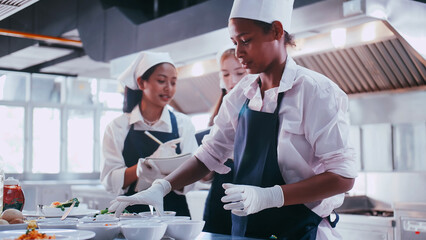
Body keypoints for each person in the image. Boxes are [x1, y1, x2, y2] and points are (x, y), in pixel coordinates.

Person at [109, 0, 357, 239]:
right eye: (234, 42)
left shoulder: (316, 92)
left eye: (246, 40)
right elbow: (210, 154)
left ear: (276, 31)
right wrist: (161, 187)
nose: (238, 52)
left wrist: (269, 197)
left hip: (300, 230)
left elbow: (343, 177)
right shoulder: (240, 95)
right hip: (247, 229)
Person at [101, 51, 198, 216]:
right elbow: (110, 181)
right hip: (130, 215)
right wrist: (141, 168)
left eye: (173, 82)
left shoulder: (183, 124)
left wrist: (167, 171)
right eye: (161, 81)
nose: (168, 88)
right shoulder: (117, 127)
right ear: (141, 82)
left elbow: (192, 177)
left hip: (174, 214)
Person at [202, 46, 248, 235]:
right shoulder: (219, 114)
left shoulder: (262, 105)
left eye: (239, 72)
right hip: (220, 192)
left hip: (251, 192)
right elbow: (206, 172)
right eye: (226, 74)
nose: (233, 80)